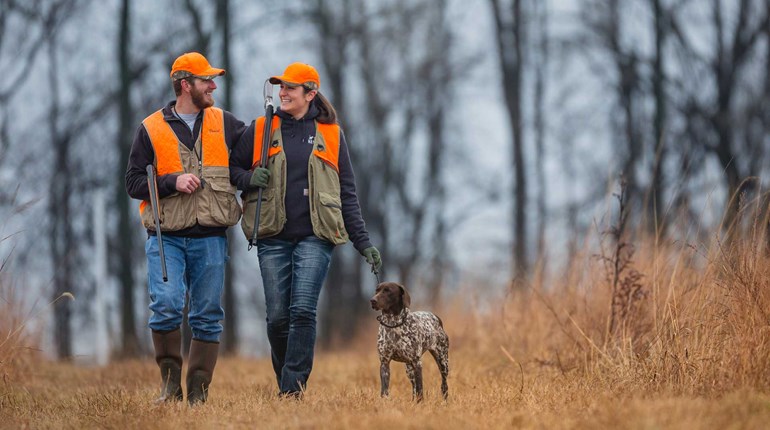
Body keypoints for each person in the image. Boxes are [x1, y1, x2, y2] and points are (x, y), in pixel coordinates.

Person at [230, 62, 382, 398]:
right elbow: (231, 168)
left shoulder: (332, 134)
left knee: (302, 311)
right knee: (277, 319)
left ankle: (292, 390)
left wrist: (363, 242)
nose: (283, 93)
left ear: (310, 94)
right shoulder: (260, 128)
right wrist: (248, 178)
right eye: (281, 87)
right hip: (272, 235)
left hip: (316, 236)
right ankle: (287, 379)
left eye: (290, 88)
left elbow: (347, 193)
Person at [125, 52, 247, 405]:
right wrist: (171, 181)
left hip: (211, 237)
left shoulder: (227, 123)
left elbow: (249, 160)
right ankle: (170, 386)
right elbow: (133, 183)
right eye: (205, 80)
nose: (212, 86)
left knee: (207, 314)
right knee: (165, 305)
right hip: (167, 238)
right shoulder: (150, 128)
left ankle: (198, 393)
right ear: (184, 85)